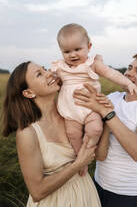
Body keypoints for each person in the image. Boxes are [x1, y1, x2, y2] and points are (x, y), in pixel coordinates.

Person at [2, 61, 101, 207]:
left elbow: (101, 154)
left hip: (86, 195)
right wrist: (78, 164)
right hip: (55, 202)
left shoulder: (73, 115)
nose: (49, 73)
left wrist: (104, 113)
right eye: (39, 74)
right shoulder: (28, 133)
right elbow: (37, 192)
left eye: (45, 69)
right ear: (29, 93)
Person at [74, 52, 137, 207]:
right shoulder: (113, 97)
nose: (129, 73)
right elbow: (101, 155)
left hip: (129, 196)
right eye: (129, 68)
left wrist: (107, 114)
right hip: (98, 187)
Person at [51, 23, 137, 165]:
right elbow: (52, 83)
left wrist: (128, 83)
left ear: (89, 46)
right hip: (69, 109)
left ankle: (89, 150)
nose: (73, 54)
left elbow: (111, 73)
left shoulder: (93, 64)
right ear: (61, 51)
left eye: (77, 49)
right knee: (72, 134)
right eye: (67, 52)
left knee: (96, 129)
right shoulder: (60, 67)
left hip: (90, 108)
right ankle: (80, 161)